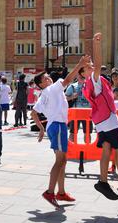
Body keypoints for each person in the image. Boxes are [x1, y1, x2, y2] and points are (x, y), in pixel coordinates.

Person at [82, 32, 118, 200]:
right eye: (88, 66)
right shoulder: (93, 79)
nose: (92, 66)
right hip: (109, 121)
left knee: (107, 150)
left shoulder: (90, 83)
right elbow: (100, 63)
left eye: (91, 65)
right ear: (84, 72)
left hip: (102, 122)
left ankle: (103, 182)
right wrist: (96, 44)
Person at [31, 55, 89, 208]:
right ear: (41, 83)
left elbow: (33, 113)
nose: (49, 77)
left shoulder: (44, 94)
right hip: (57, 126)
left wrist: (42, 129)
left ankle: (61, 192)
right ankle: (50, 192)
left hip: (55, 126)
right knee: (60, 161)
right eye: (46, 77)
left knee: (62, 160)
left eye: (48, 76)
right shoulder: (52, 88)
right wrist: (80, 64)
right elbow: (68, 80)